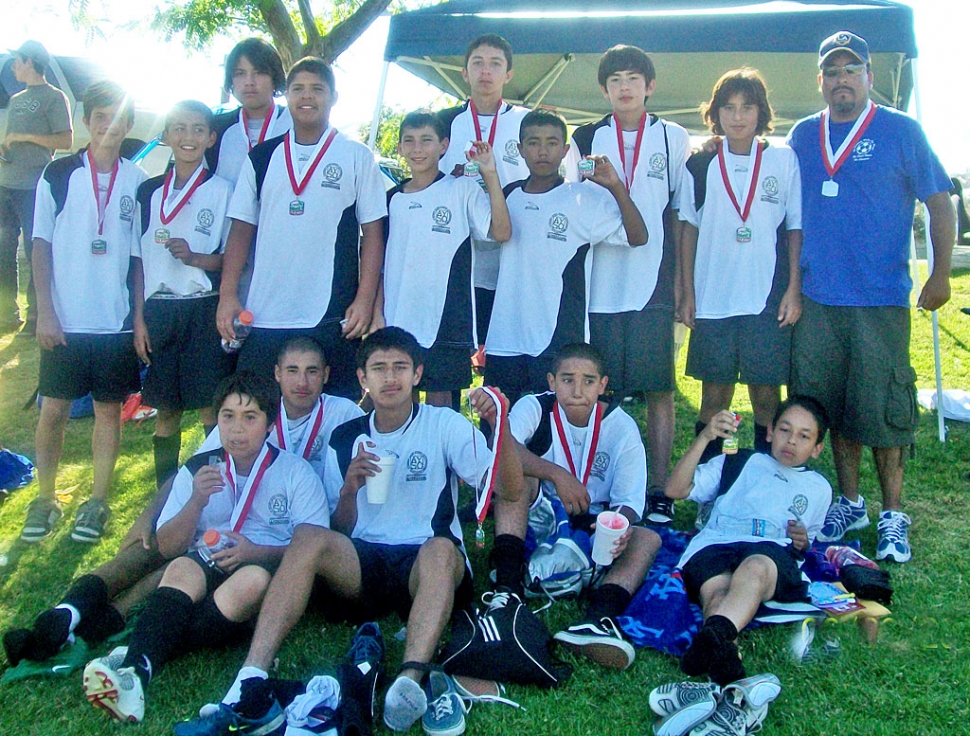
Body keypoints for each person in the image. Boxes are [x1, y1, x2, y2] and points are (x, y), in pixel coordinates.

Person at [176, 327, 524, 736]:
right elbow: (335, 529)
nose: (389, 378)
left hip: (425, 565)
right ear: (363, 378)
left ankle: (409, 680)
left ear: (417, 374)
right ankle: (250, 675)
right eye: (379, 368)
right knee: (308, 536)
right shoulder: (345, 437)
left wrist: (499, 428)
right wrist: (348, 490)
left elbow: (511, 491)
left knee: (441, 549)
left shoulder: (444, 424)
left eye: (400, 368)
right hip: (364, 562)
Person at [3, 336, 361, 667]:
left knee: (179, 564)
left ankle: (109, 627)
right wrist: (149, 514)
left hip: (289, 531)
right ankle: (69, 612)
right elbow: (193, 469)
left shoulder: (342, 416)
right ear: (277, 374)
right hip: (223, 525)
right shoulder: (247, 407)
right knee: (150, 548)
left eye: (312, 371)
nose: (302, 382)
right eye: (293, 371)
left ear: (326, 375)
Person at [786, 31, 955, 563]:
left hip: (879, 298)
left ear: (869, 77)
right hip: (818, 298)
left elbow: (940, 200)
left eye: (850, 70)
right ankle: (851, 501)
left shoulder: (901, 131)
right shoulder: (800, 135)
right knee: (832, 403)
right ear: (820, 81)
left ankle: (893, 513)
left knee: (882, 407)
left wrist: (942, 272)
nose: (841, 80)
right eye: (832, 72)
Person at [80, 372, 330, 724]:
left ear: (270, 425)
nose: (237, 429)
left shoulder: (296, 473)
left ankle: (137, 652)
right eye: (227, 417)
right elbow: (167, 547)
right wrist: (196, 501)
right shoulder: (200, 468)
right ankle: (136, 676)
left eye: (250, 417)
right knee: (181, 567)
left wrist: (254, 551)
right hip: (205, 564)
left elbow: (314, 550)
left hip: (262, 574)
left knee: (253, 580)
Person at [564, 45, 692, 524]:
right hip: (599, 282)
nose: (625, 87)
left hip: (653, 277)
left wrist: (681, 283)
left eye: (634, 78)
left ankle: (657, 489)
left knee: (659, 387)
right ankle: (599, 485)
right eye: (615, 80)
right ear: (604, 89)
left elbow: (680, 213)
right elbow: (575, 203)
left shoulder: (672, 136)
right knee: (600, 389)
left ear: (650, 86)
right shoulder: (586, 136)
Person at [217, 57, 386, 398]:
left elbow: (373, 233)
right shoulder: (261, 157)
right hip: (265, 311)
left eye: (317, 89)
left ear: (334, 97)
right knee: (257, 410)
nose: (307, 97)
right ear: (287, 96)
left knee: (336, 410)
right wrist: (227, 294)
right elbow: (240, 230)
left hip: (331, 312)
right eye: (298, 89)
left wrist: (365, 298)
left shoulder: (356, 155)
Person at [485, 342, 660, 670]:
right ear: (551, 381)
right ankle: (507, 588)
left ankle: (597, 618)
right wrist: (557, 474)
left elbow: (629, 503)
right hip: (541, 518)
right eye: (567, 379)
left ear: (603, 385)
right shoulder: (535, 408)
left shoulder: (621, 427)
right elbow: (502, 450)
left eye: (589, 381)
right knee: (516, 476)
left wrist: (619, 526)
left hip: (595, 528)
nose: (577, 390)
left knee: (648, 538)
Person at [22, 80, 145, 545]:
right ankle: (46, 497)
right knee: (52, 411)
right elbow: (39, 245)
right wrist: (45, 315)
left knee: (108, 414)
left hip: (112, 323)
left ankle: (96, 502)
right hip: (65, 323)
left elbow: (137, 261)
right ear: (87, 120)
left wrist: (136, 320)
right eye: (99, 115)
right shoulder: (57, 174)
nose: (108, 124)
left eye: (117, 116)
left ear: (128, 124)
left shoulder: (138, 181)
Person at [679, 68, 802, 463]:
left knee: (766, 396)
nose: (737, 116)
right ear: (715, 114)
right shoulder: (699, 164)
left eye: (747, 107)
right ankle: (713, 477)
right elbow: (688, 230)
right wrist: (687, 292)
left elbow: (794, 230)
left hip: (765, 301)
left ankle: (767, 477)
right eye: (728, 107)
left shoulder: (783, 160)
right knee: (715, 398)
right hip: (713, 298)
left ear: (760, 112)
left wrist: (793, 289)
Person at [664, 396, 832, 685]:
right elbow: (674, 489)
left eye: (804, 436)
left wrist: (801, 541)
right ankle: (725, 659)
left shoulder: (818, 489)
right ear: (769, 432)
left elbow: (805, 544)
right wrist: (705, 437)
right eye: (784, 430)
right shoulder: (738, 460)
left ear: (817, 448)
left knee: (755, 568)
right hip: (717, 541)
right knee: (717, 595)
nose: (791, 441)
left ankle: (714, 637)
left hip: (768, 550)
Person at [483, 109, 648, 403]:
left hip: (559, 338)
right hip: (505, 336)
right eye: (533, 143)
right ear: (519, 149)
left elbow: (638, 237)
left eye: (551, 142)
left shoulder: (584, 198)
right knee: (498, 425)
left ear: (566, 150)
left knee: (552, 430)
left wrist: (615, 186)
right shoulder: (506, 194)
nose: (542, 151)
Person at [132, 100, 235, 488]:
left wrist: (195, 258)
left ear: (210, 138)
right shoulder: (147, 193)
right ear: (165, 136)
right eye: (178, 128)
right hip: (159, 311)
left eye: (197, 130)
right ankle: (165, 491)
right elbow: (137, 261)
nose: (187, 137)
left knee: (211, 407)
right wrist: (140, 319)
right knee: (167, 409)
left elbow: (231, 258)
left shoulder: (223, 190)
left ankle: (215, 486)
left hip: (203, 309)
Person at [381, 109, 511, 408]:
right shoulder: (391, 199)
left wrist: (489, 173)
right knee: (399, 400)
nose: (417, 149)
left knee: (441, 404)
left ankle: (443, 456)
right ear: (399, 148)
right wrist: (377, 312)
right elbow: (382, 266)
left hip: (447, 318)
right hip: (399, 316)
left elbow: (502, 231)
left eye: (426, 140)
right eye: (409, 141)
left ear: (443, 145)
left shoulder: (461, 188)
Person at [438, 34, 530, 354]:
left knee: (506, 356)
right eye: (477, 63)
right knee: (453, 355)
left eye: (495, 64)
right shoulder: (443, 123)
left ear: (509, 74)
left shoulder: (526, 123)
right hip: (461, 258)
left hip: (514, 253)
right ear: (464, 72)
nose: (485, 72)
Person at [0, 40, 72, 333]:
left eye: (18, 60)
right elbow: (10, 140)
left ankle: (36, 316)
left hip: (33, 186)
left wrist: (25, 136)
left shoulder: (55, 98)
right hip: (5, 185)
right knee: (4, 250)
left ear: (30, 62)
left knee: (35, 250)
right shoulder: (16, 99)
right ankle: (7, 314)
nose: (14, 66)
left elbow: (65, 141)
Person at [208, 37, 292, 184]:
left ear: (275, 77)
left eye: (259, 73)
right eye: (240, 74)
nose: (249, 82)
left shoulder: (296, 124)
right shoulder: (216, 128)